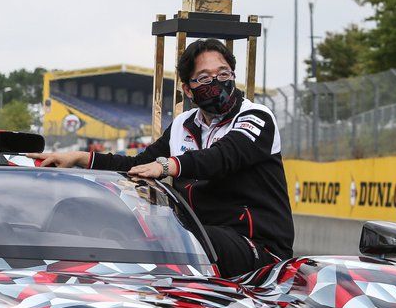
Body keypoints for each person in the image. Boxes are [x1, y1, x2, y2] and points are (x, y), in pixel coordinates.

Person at [35, 38, 294, 276]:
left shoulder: (257, 116)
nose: (216, 83)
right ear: (188, 90)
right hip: (196, 239)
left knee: (182, 238)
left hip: (260, 251)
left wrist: (167, 166)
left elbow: (222, 157)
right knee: (77, 210)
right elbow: (138, 165)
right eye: (204, 78)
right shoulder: (183, 124)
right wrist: (82, 158)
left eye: (223, 74)